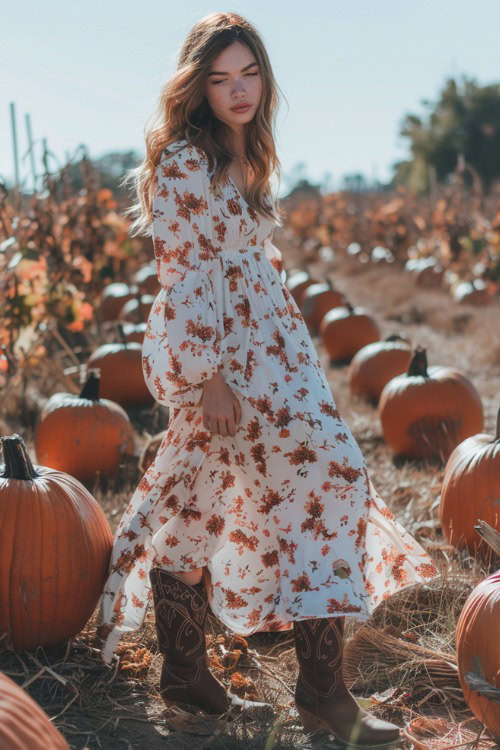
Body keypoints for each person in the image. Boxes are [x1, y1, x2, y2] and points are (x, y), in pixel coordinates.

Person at [96, 12, 439, 748]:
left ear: (264, 76)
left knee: (207, 498)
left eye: (248, 73)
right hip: (228, 363)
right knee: (323, 477)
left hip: (275, 352)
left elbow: (248, 267)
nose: (238, 89)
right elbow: (183, 275)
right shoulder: (185, 162)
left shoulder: (244, 154)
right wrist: (205, 376)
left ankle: (218, 680)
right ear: (197, 87)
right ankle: (315, 692)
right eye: (220, 79)